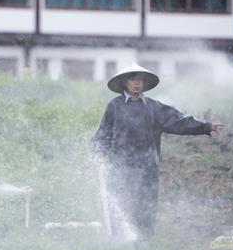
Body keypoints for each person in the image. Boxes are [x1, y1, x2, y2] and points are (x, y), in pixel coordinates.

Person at [91, 64, 223, 239]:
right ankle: (119, 242)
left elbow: (179, 121)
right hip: (120, 166)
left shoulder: (154, 108)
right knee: (121, 203)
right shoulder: (114, 106)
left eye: (140, 80)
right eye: (133, 79)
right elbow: (103, 133)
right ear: (125, 82)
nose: (137, 83)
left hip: (147, 167)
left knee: (145, 206)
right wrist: (99, 152)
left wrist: (205, 126)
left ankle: (144, 243)